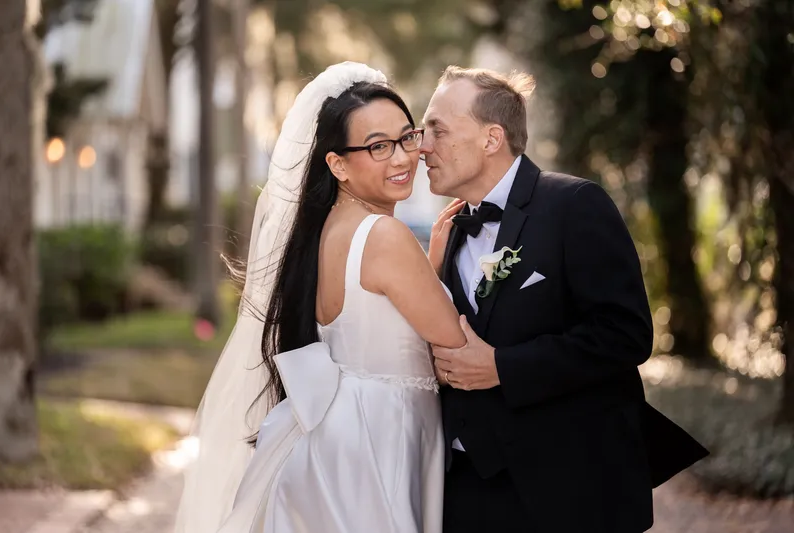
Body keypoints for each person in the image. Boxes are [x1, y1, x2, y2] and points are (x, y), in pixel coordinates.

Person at [175, 62, 466, 533]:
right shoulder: (384, 236)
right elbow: (452, 342)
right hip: (381, 438)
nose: (402, 158)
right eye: (378, 147)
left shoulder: (323, 232)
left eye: (406, 138)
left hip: (334, 436)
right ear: (337, 164)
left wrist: (428, 267)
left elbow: (384, 319)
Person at [422, 66, 709, 533]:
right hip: (466, 491)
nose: (422, 147)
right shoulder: (450, 231)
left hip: (566, 491)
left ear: (492, 138)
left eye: (438, 130)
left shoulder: (575, 204)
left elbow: (625, 335)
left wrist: (503, 367)